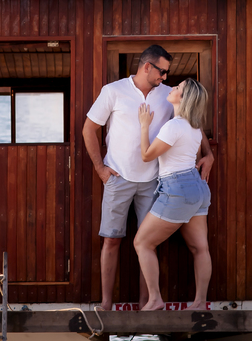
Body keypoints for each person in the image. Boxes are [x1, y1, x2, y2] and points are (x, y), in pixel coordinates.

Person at [82, 45, 213, 310]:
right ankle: (106, 304)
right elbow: (89, 129)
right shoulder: (113, 91)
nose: (166, 78)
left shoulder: (168, 95)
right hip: (117, 178)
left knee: (146, 243)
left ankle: (147, 305)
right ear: (147, 67)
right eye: (162, 72)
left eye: (168, 74)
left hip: (156, 183)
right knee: (111, 240)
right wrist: (100, 169)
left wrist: (209, 154)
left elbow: (192, 123)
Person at [132, 78, 212, 311]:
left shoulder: (173, 126)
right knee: (200, 248)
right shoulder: (194, 127)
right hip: (197, 188)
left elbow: (147, 155)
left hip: (177, 188)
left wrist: (144, 124)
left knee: (142, 242)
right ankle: (199, 303)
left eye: (178, 88)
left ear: (183, 99)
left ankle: (155, 299)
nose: (173, 88)